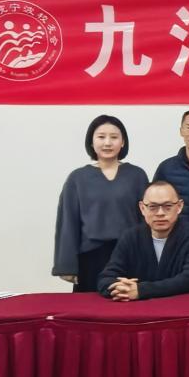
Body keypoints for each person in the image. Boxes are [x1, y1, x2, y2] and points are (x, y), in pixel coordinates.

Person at [54, 115, 149, 292]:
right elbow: (68, 223)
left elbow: (147, 220)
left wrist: (149, 258)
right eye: (101, 137)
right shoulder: (77, 178)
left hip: (129, 255)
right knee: (88, 307)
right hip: (90, 257)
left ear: (123, 142)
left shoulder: (137, 175)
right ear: (91, 142)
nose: (107, 143)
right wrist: (67, 265)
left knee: (126, 304)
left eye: (114, 137)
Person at [97, 181, 189, 301]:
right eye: (153, 207)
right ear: (142, 208)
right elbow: (106, 277)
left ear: (179, 206)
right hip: (137, 309)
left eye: (167, 206)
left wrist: (141, 290)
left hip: (180, 306)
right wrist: (120, 288)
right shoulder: (130, 237)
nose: (160, 213)